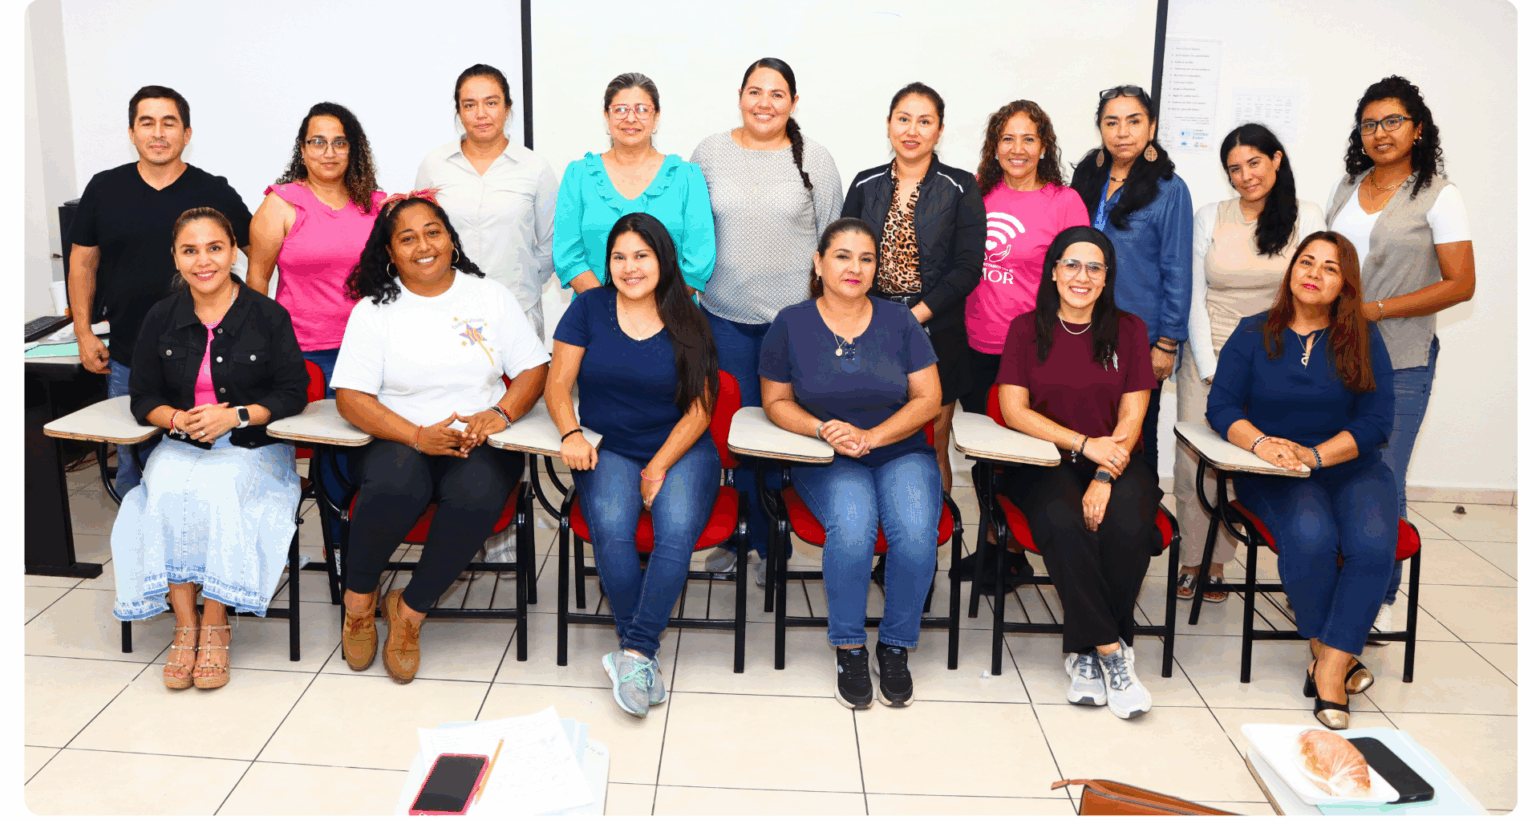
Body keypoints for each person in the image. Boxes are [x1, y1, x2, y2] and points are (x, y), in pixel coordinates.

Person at [330, 194, 550, 685]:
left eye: (433, 232)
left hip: (478, 439)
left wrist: (501, 411)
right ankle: (360, 602)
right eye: (407, 238)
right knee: (395, 483)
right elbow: (350, 397)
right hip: (398, 436)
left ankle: (409, 613)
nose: (423, 245)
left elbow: (535, 368)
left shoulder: (489, 296)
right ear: (390, 252)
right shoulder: (373, 311)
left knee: (476, 494)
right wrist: (415, 435)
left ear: (451, 239)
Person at [111, 207, 308, 691]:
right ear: (175, 259)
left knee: (220, 489)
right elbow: (143, 398)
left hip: (252, 447)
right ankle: (185, 625)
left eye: (214, 248)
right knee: (165, 491)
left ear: (234, 251)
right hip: (180, 444)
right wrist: (176, 420)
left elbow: (292, 392)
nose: (204, 261)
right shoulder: (161, 317)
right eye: (190, 250)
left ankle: (216, 622)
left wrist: (235, 414)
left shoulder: (267, 315)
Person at [1206, 231, 1396, 729]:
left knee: (1374, 544)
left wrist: (1315, 455)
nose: (1314, 273)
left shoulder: (1363, 337)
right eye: (1307, 262)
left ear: (1345, 284)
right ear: (1291, 271)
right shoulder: (1253, 333)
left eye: (1330, 268)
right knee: (1312, 537)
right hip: (1273, 472)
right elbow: (1221, 406)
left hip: (1349, 465)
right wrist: (1263, 444)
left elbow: (1377, 422)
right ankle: (1337, 663)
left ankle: (1327, 665)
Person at [760, 218, 943, 711]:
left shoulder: (900, 321)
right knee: (854, 525)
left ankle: (896, 644)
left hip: (899, 448)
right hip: (826, 456)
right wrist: (823, 430)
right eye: (842, 256)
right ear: (818, 264)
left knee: (915, 528)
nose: (854, 268)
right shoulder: (791, 323)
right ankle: (849, 647)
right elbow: (775, 402)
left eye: (866, 258)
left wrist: (874, 436)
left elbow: (929, 398)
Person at [547, 213, 721, 718]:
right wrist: (570, 432)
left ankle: (634, 651)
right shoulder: (588, 308)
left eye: (641, 256)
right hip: (609, 445)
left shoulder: (689, 316)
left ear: (662, 261)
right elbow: (558, 386)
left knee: (675, 531)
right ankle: (639, 653)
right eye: (619, 257)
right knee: (613, 529)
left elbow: (701, 408)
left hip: (680, 444)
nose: (630, 267)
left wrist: (658, 467)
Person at [1325, 76, 1473, 637]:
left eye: (1392, 122)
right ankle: (1341, 583)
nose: (1380, 133)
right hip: (1338, 357)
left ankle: (1379, 596)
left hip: (1402, 358)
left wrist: (1378, 310)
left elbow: (1461, 284)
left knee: (1384, 475)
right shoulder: (1350, 183)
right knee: (1338, 469)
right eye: (1369, 123)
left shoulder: (1439, 193)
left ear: (1417, 128)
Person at [996, 225, 1162, 720]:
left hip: (1117, 458)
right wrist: (1082, 445)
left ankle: (1083, 651)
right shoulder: (1026, 329)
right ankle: (1112, 651)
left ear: (1107, 277)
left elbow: (1134, 417)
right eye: (1071, 264)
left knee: (1130, 525)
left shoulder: (1130, 330)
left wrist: (1105, 474)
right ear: (1053, 271)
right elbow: (1013, 410)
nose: (1081, 276)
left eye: (1094, 267)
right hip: (1043, 460)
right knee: (1065, 525)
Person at [690, 57, 843, 584]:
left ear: (794, 103)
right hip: (723, 317)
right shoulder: (710, 153)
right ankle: (740, 536)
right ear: (739, 96)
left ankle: (772, 536)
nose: (764, 103)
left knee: (781, 430)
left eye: (777, 94)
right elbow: (692, 232)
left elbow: (832, 245)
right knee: (733, 431)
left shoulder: (816, 160)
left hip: (793, 325)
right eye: (755, 92)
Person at [68, 85, 253, 496]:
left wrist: (253, 322)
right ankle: (144, 553)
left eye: (169, 123)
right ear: (132, 133)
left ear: (186, 134)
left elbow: (259, 253)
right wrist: (83, 331)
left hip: (207, 361)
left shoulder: (213, 191)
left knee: (206, 469)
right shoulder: (104, 188)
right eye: (146, 122)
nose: (158, 132)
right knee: (135, 470)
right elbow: (82, 262)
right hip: (130, 357)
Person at [1176, 123, 1326, 601]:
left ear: (1277, 160)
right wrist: (1210, 365)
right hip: (1211, 353)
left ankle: (1219, 564)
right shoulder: (1211, 216)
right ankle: (1192, 560)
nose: (1245, 177)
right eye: (1234, 169)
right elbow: (1195, 296)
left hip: (1276, 362)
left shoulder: (1308, 216)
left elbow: (1318, 294)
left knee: (1253, 458)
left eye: (1254, 163)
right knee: (1195, 464)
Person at [958, 99, 1089, 591]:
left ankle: (1015, 552)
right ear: (994, 146)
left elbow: (1080, 277)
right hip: (977, 343)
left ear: (1044, 146)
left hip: (1037, 351)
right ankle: (996, 544)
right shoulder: (977, 193)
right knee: (985, 453)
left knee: (1024, 454)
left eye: (1028, 139)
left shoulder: (1063, 201)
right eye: (1007, 138)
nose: (1017, 149)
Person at [841, 82, 985, 502]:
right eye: (903, 119)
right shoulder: (866, 183)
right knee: (873, 433)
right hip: (869, 330)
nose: (912, 130)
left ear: (939, 130)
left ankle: (924, 545)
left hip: (938, 331)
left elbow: (966, 268)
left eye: (925, 121)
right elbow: (845, 258)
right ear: (888, 125)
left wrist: (914, 315)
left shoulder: (961, 186)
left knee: (931, 443)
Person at [1069, 85, 1193, 473]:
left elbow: (1177, 268)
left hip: (1139, 336)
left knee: (1136, 438)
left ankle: (1139, 520)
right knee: (1081, 429)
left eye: (1134, 121)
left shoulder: (1170, 190)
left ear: (1151, 127)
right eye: (1112, 122)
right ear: (1101, 129)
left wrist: (1168, 343)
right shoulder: (1087, 178)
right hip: (1078, 328)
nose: (1122, 132)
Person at [416, 63, 559, 340]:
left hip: (517, 310)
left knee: (523, 383)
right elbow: (422, 238)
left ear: (507, 108)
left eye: (491, 103)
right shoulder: (434, 165)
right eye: (469, 105)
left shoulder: (535, 168)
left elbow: (550, 243)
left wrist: (521, 278)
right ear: (459, 112)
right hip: (447, 310)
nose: (481, 114)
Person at [247, 102, 384, 388]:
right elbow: (258, 279)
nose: (329, 152)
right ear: (303, 149)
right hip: (301, 353)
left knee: (364, 432)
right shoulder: (280, 204)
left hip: (368, 349)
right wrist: (259, 346)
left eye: (339, 143)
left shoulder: (376, 205)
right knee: (300, 432)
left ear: (352, 149)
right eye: (318, 142)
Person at [554, 73, 715, 294]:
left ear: (656, 117)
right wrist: (609, 311)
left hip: (671, 316)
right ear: (606, 116)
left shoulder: (686, 177)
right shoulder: (578, 176)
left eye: (641, 109)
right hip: (595, 315)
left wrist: (653, 312)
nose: (630, 118)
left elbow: (699, 261)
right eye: (620, 109)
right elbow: (568, 256)